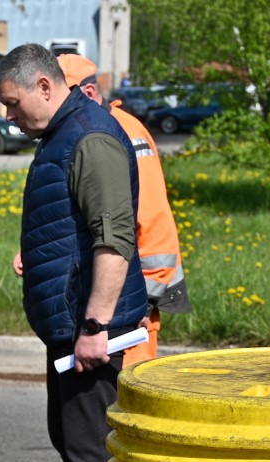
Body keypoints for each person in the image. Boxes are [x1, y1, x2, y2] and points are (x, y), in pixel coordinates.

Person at [0, 44, 149, 462]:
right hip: (69, 322)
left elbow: (114, 238)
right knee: (69, 437)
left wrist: (95, 325)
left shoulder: (90, 137)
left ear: (43, 85)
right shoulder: (62, 133)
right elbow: (72, 225)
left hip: (89, 328)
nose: (9, 116)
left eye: (13, 103)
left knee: (89, 448)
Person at [56, 53, 190, 363]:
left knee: (123, 392)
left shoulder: (123, 132)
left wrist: (144, 300)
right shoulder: (85, 131)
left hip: (131, 310)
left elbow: (152, 222)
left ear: (89, 93)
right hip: (104, 302)